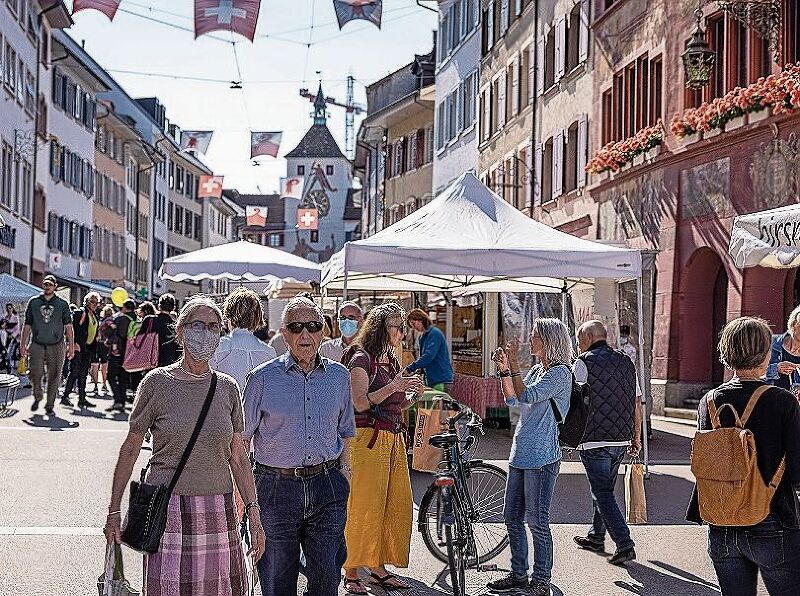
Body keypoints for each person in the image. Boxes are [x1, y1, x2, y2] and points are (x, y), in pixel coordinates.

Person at [104, 296, 265, 595]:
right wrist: (114, 510)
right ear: (179, 331)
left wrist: (254, 513)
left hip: (219, 507)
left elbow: (240, 459)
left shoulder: (228, 388)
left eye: (213, 326)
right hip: (168, 508)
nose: (205, 333)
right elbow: (130, 449)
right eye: (197, 325)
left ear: (221, 333)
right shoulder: (156, 383)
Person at [243, 296, 356, 596]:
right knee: (277, 582)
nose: (305, 334)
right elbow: (241, 442)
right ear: (284, 332)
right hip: (275, 489)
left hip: (327, 486)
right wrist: (245, 498)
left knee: (326, 581)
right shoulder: (261, 379)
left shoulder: (339, 376)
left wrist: (345, 470)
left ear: (323, 330)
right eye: (296, 327)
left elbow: (345, 430)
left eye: (313, 326)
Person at [687, 316, 800, 595]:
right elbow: (797, 471)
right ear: (765, 356)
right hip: (773, 519)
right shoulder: (782, 400)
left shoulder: (709, 401)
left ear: (727, 355)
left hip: (721, 519)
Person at [341, 303, 423, 594]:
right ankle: (351, 570)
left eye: (403, 326)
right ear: (380, 328)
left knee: (392, 505)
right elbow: (360, 402)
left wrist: (413, 395)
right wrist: (394, 386)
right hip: (366, 440)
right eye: (397, 326)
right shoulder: (361, 358)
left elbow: (395, 405)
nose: (402, 332)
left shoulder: (390, 360)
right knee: (363, 506)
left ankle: (376, 567)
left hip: (392, 440)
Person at [489, 318, 573, 595]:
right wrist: (504, 371)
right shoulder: (538, 369)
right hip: (520, 452)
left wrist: (512, 362)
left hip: (541, 455)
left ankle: (541, 579)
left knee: (537, 520)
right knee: (511, 518)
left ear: (548, 341)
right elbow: (514, 400)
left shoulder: (561, 374)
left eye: (535, 336)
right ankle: (518, 574)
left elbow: (527, 393)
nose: (530, 340)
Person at [571, 320, 640, 566]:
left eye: (579, 339)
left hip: (594, 440)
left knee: (602, 492)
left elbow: (574, 401)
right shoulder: (626, 361)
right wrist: (636, 437)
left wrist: (569, 435)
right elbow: (636, 402)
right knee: (604, 491)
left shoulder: (584, 362)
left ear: (588, 337)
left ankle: (624, 544)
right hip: (620, 438)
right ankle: (596, 536)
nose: (578, 345)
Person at [20, 275, 75, 415]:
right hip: (37, 343)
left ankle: (49, 405)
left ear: (55, 286)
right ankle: (38, 394)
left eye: (50, 284)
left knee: (55, 375)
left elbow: (69, 326)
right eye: (45, 284)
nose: (47, 287)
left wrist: (71, 345)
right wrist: (22, 345)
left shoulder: (62, 304)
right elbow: (27, 325)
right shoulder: (34, 302)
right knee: (34, 372)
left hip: (56, 344)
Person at [210, 287, 276, 392]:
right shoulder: (269, 352)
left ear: (229, 317)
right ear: (257, 317)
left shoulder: (216, 348)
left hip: (226, 406)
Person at [62, 292, 101, 408]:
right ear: (87, 302)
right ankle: (65, 397)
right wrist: (73, 344)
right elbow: (71, 329)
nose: (95, 304)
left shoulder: (94, 315)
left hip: (88, 349)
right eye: (92, 302)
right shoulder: (80, 313)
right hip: (79, 347)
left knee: (83, 374)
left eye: (96, 302)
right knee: (74, 372)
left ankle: (82, 399)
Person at [404, 309, 454, 392]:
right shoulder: (422, 337)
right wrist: (417, 373)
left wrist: (409, 369)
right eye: (411, 325)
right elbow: (424, 359)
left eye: (413, 323)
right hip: (432, 380)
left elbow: (428, 356)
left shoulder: (434, 334)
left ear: (420, 319)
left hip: (441, 379)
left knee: (439, 404)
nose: (414, 327)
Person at [106, 300, 136, 413]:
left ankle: (118, 400)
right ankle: (121, 403)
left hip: (117, 352)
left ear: (125, 308)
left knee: (111, 376)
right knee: (123, 379)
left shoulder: (121, 319)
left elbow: (112, 333)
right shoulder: (137, 320)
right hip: (130, 354)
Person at [137, 294, 181, 368]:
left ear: (159, 306)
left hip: (150, 361)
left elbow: (139, 339)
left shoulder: (149, 320)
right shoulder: (176, 326)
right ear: (173, 308)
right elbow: (178, 348)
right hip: (169, 364)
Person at [767, 305, 800, 394]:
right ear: (793, 325)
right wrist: (776, 369)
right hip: (771, 402)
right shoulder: (770, 343)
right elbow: (750, 373)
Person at [91, 305, 114, 396]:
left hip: (96, 344)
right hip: (105, 345)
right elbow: (114, 328)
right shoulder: (109, 320)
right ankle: (104, 384)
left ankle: (96, 385)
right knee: (104, 365)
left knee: (95, 364)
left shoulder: (100, 321)